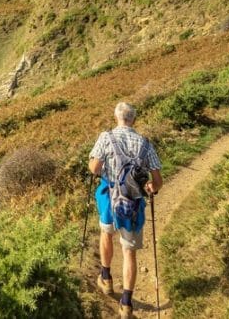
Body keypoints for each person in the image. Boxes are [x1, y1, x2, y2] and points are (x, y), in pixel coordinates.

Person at [89, 102, 164, 319]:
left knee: (106, 234)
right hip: (132, 203)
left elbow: (94, 169)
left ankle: (106, 279)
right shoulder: (145, 144)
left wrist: (101, 166)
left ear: (116, 118)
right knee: (129, 251)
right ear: (134, 120)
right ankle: (126, 303)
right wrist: (150, 187)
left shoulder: (106, 137)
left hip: (109, 196)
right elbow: (157, 182)